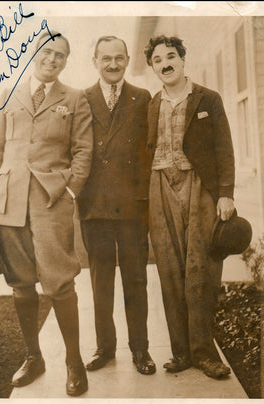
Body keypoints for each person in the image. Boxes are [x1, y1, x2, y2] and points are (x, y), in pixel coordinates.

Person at [0, 31, 93, 396]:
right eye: (46, 52)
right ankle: (33, 356)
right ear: (32, 53)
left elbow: (83, 153)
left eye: (60, 55)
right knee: (21, 283)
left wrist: (69, 192)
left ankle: (73, 363)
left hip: (50, 204)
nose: (52, 60)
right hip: (10, 203)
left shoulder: (75, 98)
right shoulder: (6, 94)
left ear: (65, 61)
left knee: (60, 283)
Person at [144, 35, 235, 379]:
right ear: (152, 67)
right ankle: (181, 352)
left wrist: (225, 192)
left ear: (182, 59)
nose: (165, 63)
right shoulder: (152, 104)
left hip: (199, 186)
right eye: (157, 60)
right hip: (160, 186)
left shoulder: (208, 98)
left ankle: (204, 353)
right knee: (169, 268)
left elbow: (224, 148)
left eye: (171, 56)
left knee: (202, 267)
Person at [77, 36, 156, 375]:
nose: (112, 65)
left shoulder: (142, 98)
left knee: (136, 280)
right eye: (106, 58)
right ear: (94, 60)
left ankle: (141, 350)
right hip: (95, 207)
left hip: (132, 207)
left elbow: (149, 151)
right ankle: (104, 348)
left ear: (127, 60)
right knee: (101, 281)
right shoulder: (81, 99)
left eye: (119, 59)